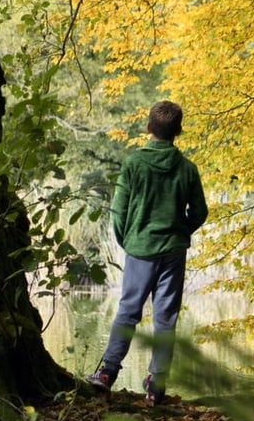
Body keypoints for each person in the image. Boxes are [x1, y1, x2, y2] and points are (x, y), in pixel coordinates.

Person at [86, 100, 208, 405]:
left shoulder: (133, 164)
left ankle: (107, 373)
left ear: (149, 128)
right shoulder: (187, 169)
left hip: (140, 249)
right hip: (173, 251)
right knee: (165, 318)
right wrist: (181, 231)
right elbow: (200, 212)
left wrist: (129, 240)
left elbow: (118, 212)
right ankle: (156, 385)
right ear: (178, 131)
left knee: (128, 311)